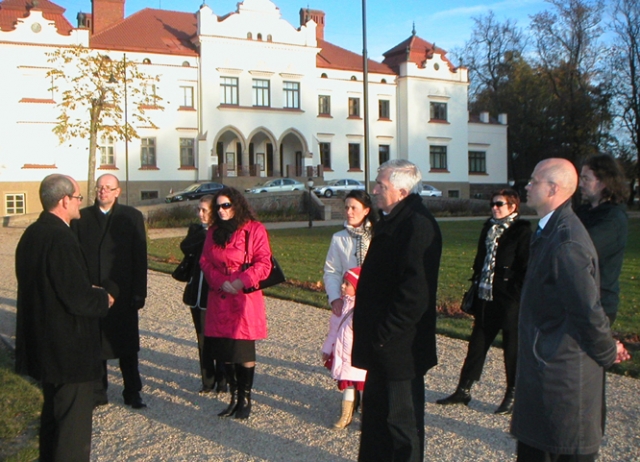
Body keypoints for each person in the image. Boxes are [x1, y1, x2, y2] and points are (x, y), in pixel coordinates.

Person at [511, 158, 630, 462]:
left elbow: (587, 310)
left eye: (534, 180)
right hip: (547, 370)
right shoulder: (551, 231)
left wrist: (606, 351)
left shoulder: (565, 240)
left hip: (560, 378)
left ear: (553, 188)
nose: (526, 185)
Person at [15, 174, 113, 462]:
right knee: (72, 429)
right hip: (68, 350)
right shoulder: (60, 238)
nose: (81, 203)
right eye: (78, 197)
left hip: (44, 344)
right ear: (64, 200)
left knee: (53, 421)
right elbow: (77, 298)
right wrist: (103, 297)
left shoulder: (32, 234)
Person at [352, 159, 442, 462]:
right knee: (377, 419)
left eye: (381, 185)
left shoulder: (417, 225)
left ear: (402, 191)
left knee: (402, 424)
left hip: (399, 348)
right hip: (383, 346)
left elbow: (414, 294)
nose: (374, 190)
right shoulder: (393, 219)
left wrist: (383, 334)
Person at [436, 189, 530, 415]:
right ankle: (464, 389)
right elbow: (481, 259)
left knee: (512, 348)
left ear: (512, 207)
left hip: (508, 300)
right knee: (477, 344)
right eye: (493, 204)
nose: (495, 208)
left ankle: (513, 394)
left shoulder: (521, 230)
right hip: (485, 296)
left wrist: (514, 293)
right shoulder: (489, 227)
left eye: (500, 204)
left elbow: (525, 266)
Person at [73, 173, 148, 409]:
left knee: (127, 346)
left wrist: (139, 292)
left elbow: (140, 256)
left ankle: (132, 391)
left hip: (123, 292)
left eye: (108, 187)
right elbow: (75, 257)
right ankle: (98, 391)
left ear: (117, 192)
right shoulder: (82, 218)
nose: (103, 191)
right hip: (94, 291)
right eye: (99, 187)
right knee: (96, 344)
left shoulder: (131, 217)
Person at [200, 187, 272, 419]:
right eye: (218, 207)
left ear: (237, 205)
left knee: (243, 350)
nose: (221, 211)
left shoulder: (254, 229)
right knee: (225, 351)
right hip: (221, 295)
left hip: (243, 298)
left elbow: (263, 263)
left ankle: (245, 398)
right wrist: (221, 282)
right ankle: (233, 397)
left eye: (226, 206)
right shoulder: (214, 231)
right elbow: (205, 260)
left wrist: (240, 282)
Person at [179, 195, 226, 394]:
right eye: (198, 210)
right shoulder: (197, 231)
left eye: (205, 210)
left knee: (220, 339)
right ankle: (207, 381)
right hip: (196, 293)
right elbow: (185, 247)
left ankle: (223, 380)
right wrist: (203, 231)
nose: (200, 214)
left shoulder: (222, 232)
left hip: (215, 294)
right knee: (202, 340)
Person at [577, 154, 629, 325]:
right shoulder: (583, 212)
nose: (580, 184)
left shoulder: (612, 219)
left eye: (586, 179)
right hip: (577, 300)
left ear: (604, 182)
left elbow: (581, 250)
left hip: (597, 306)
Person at [321, 267, 366, 429]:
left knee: (363, 387)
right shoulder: (341, 306)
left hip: (359, 357)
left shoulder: (364, 310)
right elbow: (334, 330)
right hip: (344, 356)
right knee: (348, 385)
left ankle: (367, 418)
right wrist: (327, 349)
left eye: (347, 284)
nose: (342, 286)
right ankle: (346, 415)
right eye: (343, 282)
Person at [323, 190, 376, 318]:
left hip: (375, 299)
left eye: (353, 208)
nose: (348, 212)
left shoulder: (377, 236)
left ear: (366, 211)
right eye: (346, 207)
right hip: (348, 302)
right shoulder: (338, 238)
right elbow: (332, 271)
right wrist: (335, 298)